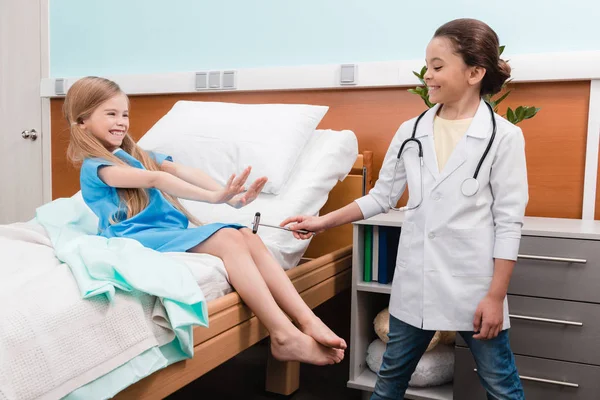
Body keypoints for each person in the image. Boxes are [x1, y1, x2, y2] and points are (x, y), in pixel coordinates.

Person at [282, 18, 528, 399]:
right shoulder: (410, 131)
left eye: (437, 66)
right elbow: (382, 197)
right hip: (417, 282)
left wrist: (495, 297)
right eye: (427, 65)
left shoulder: (505, 137)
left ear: (475, 72)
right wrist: (321, 222)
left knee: (502, 386)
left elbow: (508, 223)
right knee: (389, 383)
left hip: (474, 287)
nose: (427, 75)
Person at [63, 76, 346, 366]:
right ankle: (283, 334)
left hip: (163, 231)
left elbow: (180, 170)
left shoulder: (134, 155)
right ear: (82, 120)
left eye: (124, 114)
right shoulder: (96, 166)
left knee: (246, 236)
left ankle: (307, 320)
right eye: (110, 114)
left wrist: (227, 196)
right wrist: (212, 199)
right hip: (130, 235)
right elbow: (157, 178)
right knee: (229, 238)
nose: (121, 121)